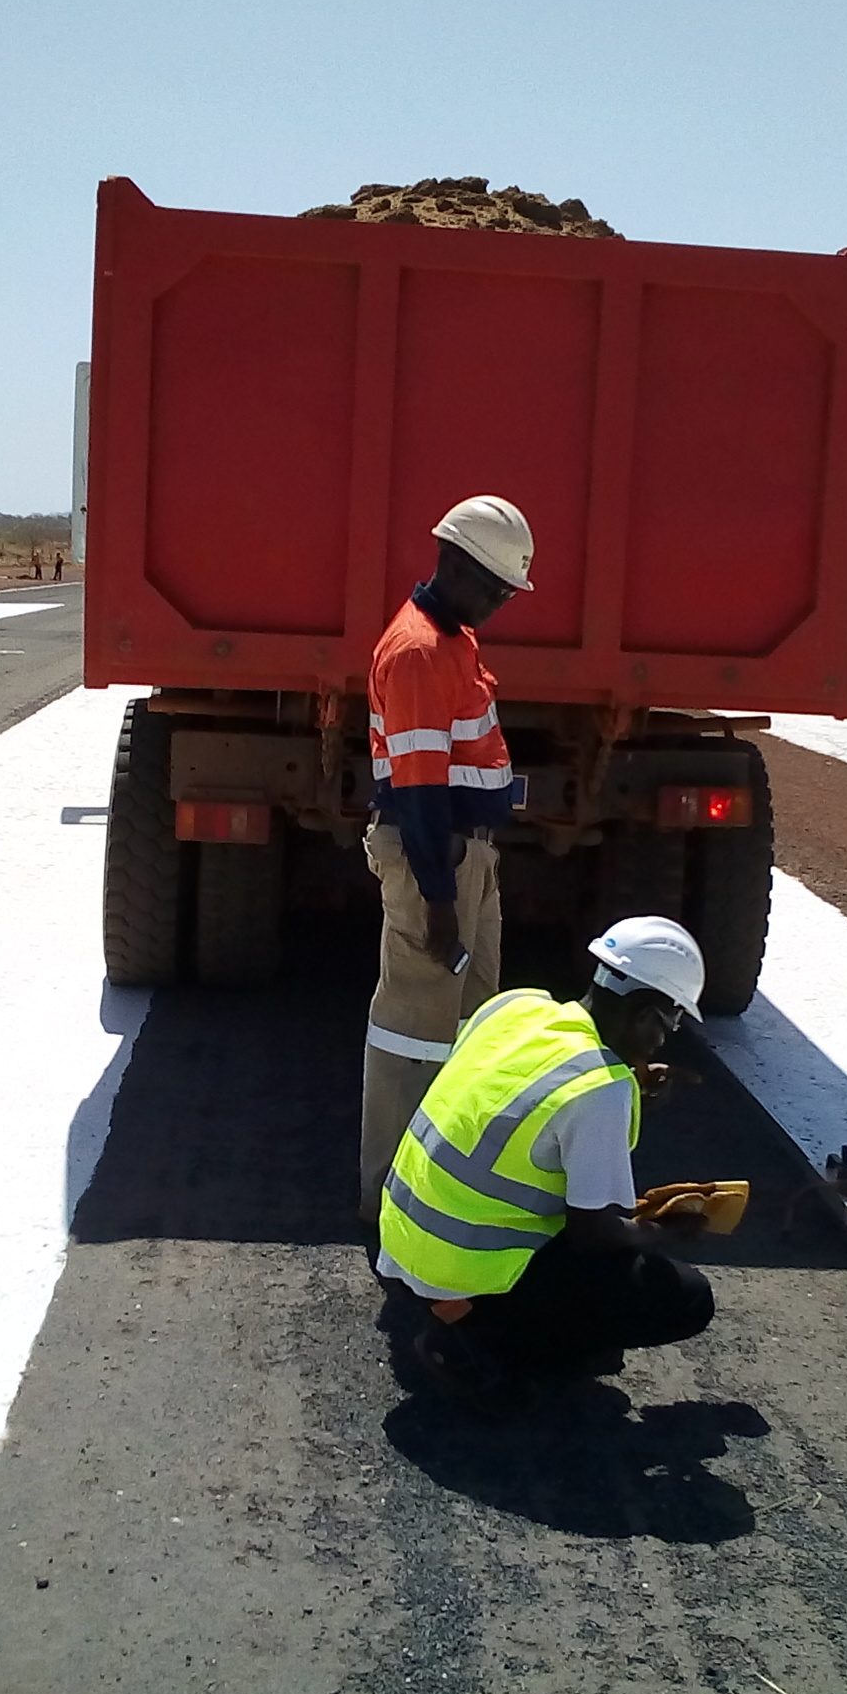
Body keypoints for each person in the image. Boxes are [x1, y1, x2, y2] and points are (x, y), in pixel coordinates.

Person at [378, 916, 717, 1409]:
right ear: (646, 1013)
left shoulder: (516, 1007)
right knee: (683, 1296)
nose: (665, 1040)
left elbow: (511, 1095)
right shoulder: (601, 1088)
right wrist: (667, 1233)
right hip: (463, 1268)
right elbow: (595, 1233)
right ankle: (482, 1339)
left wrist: (630, 1082)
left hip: (405, 1244)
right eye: (670, 1022)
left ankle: (461, 1311)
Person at [359, 495, 536, 1221]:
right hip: (438, 860)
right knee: (413, 1027)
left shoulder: (453, 636)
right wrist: (438, 898)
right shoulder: (421, 651)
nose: (500, 602)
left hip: (466, 859)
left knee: (469, 1020)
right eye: (493, 586)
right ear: (455, 564)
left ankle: (445, 1183)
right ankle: (391, 1204)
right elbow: (421, 788)